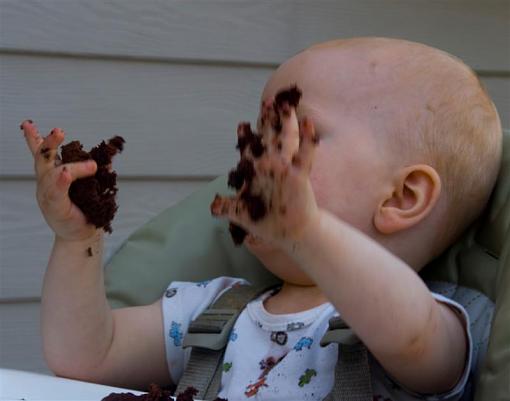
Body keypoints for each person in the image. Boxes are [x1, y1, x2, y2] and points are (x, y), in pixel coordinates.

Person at [20, 37, 502, 400]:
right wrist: (75, 239)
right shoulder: (214, 311)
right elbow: (86, 355)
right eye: (258, 138)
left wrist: (310, 233)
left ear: (402, 197)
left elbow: (409, 332)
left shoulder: (430, 323)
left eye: (291, 136)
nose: (254, 159)